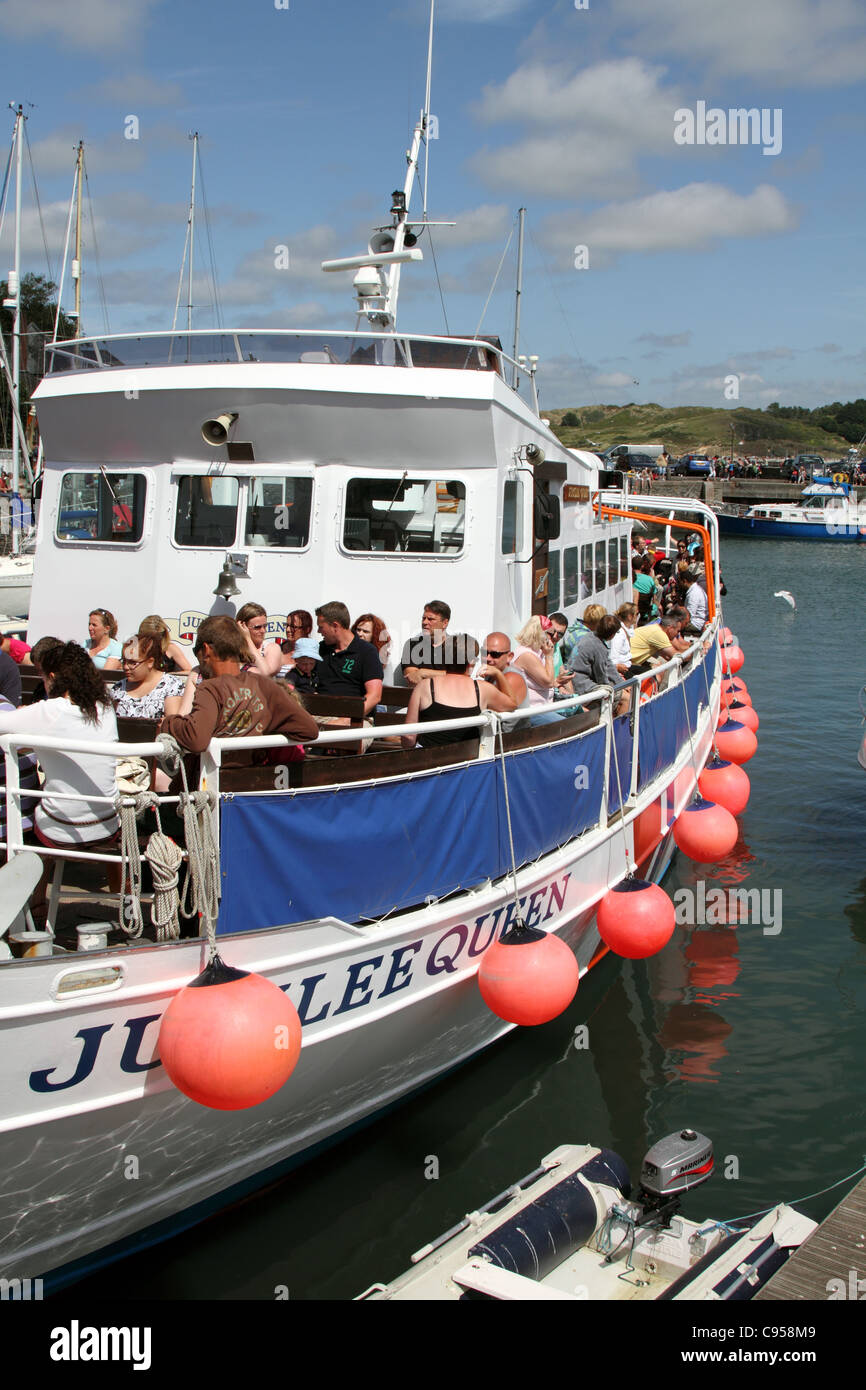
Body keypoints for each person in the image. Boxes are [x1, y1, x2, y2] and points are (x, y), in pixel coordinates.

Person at [0, 642, 120, 859]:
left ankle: (35, 891)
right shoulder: (105, 707)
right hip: (108, 826)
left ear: (53, 677)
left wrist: (26, 714)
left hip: (60, 832)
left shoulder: (51, 710)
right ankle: (117, 890)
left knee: (34, 809)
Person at [162, 616, 318, 754]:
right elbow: (309, 730)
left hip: (213, 778)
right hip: (253, 777)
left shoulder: (209, 688)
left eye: (197, 651)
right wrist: (262, 728)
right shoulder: (264, 684)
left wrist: (169, 723)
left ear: (206, 649)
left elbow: (197, 739)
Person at [402, 662, 519, 750]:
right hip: (466, 762)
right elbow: (512, 704)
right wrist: (498, 673)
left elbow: (409, 737)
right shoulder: (483, 688)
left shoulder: (424, 686)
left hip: (427, 761)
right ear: (470, 664)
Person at [315, 601, 383, 716]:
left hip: (355, 720)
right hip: (318, 717)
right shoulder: (320, 649)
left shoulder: (367, 652)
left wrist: (348, 720)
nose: (318, 631)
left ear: (335, 626)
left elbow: (374, 696)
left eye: (321, 627)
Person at [400, 600, 478, 686]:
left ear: (445, 623)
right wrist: (446, 675)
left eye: (430, 619)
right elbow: (412, 678)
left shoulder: (455, 646)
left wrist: (423, 672)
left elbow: (464, 675)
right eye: (423, 618)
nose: (424, 622)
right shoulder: (412, 644)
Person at [111, 635, 189, 720]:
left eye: (132, 662)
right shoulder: (118, 688)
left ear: (150, 662)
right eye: (124, 661)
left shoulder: (171, 686)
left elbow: (171, 723)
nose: (125, 667)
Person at [511, 615, 558, 725]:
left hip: (544, 707)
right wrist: (549, 656)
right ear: (539, 633)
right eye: (550, 634)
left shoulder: (536, 652)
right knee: (566, 725)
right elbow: (548, 682)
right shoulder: (526, 655)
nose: (554, 637)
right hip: (533, 711)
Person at [478, 633, 528, 713]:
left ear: (509, 657)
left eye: (495, 654)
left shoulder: (512, 677)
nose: (488, 658)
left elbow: (495, 711)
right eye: (484, 652)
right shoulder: (492, 673)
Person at [237, 602, 283, 677]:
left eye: (265, 626)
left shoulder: (272, 648)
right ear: (242, 626)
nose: (263, 631)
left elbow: (266, 673)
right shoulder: (234, 648)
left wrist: (247, 639)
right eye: (257, 627)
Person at [353, 613, 392, 681]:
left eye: (365, 632)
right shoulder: (347, 651)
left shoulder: (383, 659)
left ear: (375, 635)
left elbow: (387, 687)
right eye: (358, 630)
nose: (360, 634)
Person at [610, 602, 638, 676]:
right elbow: (613, 657)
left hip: (627, 665)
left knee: (653, 672)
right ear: (629, 616)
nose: (637, 616)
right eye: (636, 614)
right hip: (621, 669)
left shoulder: (627, 630)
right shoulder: (619, 634)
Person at [632, 556, 659, 625]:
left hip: (632, 608)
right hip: (645, 611)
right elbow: (654, 598)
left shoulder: (629, 579)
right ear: (642, 566)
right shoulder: (649, 579)